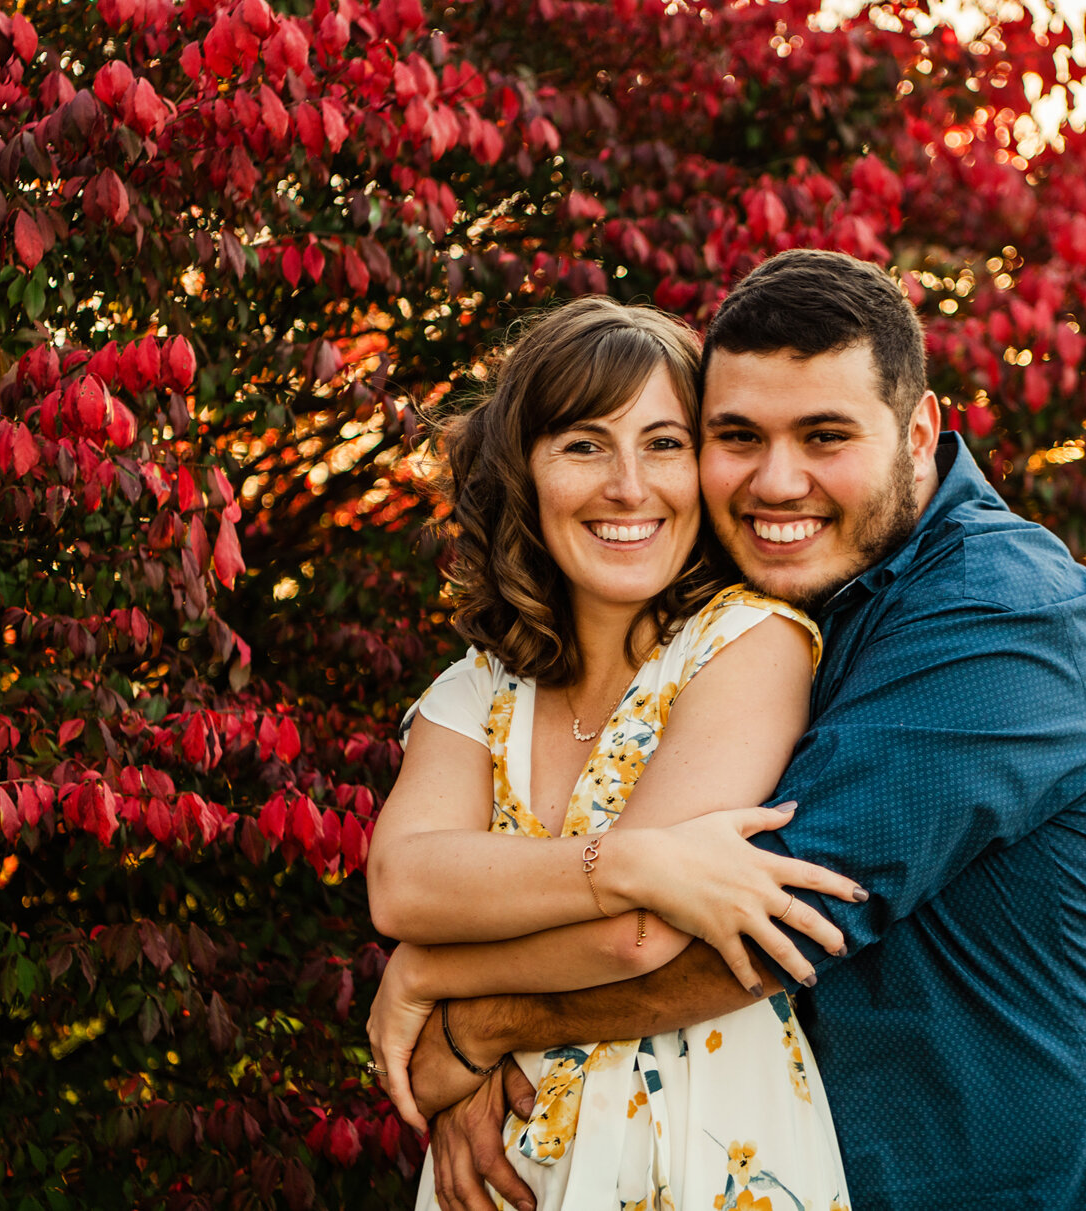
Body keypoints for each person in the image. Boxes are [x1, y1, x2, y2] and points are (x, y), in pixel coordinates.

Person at [407, 250, 1086, 1211]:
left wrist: (469, 1027)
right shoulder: (798, 609)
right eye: (738, 435)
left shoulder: (995, 615)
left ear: (918, 433)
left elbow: (751, 926)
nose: (778, 482)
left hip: (1018, 1183)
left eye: (824, 435)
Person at [364, 298, 865, 1211]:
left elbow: (641, 937)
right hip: (504, 1169)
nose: (629, 486)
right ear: (525, 472)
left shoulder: (751, 643)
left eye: (666, 444)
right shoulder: (477, 687)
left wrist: (429, 972)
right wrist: (632, 859)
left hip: (703, 1150)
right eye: (585, 444)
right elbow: (402, 883)